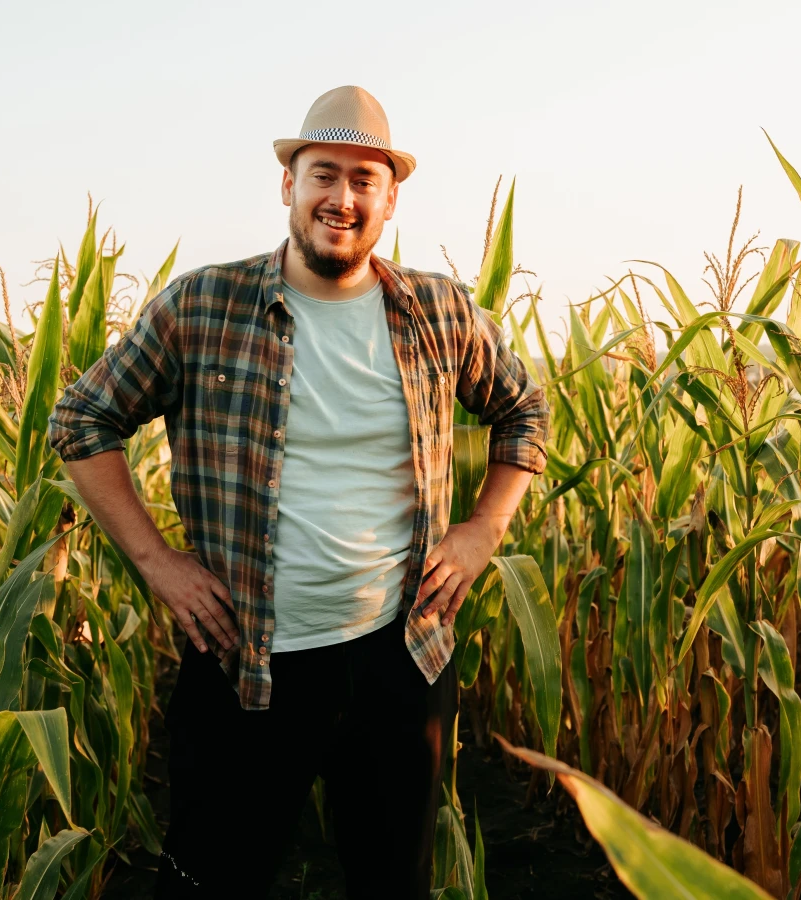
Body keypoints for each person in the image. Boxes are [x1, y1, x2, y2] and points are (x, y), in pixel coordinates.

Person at [47, 84, 549, 899]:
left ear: (390, 196)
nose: (341, 199)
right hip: (244, 664)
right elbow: (81, 418)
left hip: (400, 657)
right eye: (323, 175)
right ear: (289, 184)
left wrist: (484, 528)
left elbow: (523, 408)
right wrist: (158, 563)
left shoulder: (439, 313)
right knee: (208, 881)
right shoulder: (204, 307)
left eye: (363, 179)